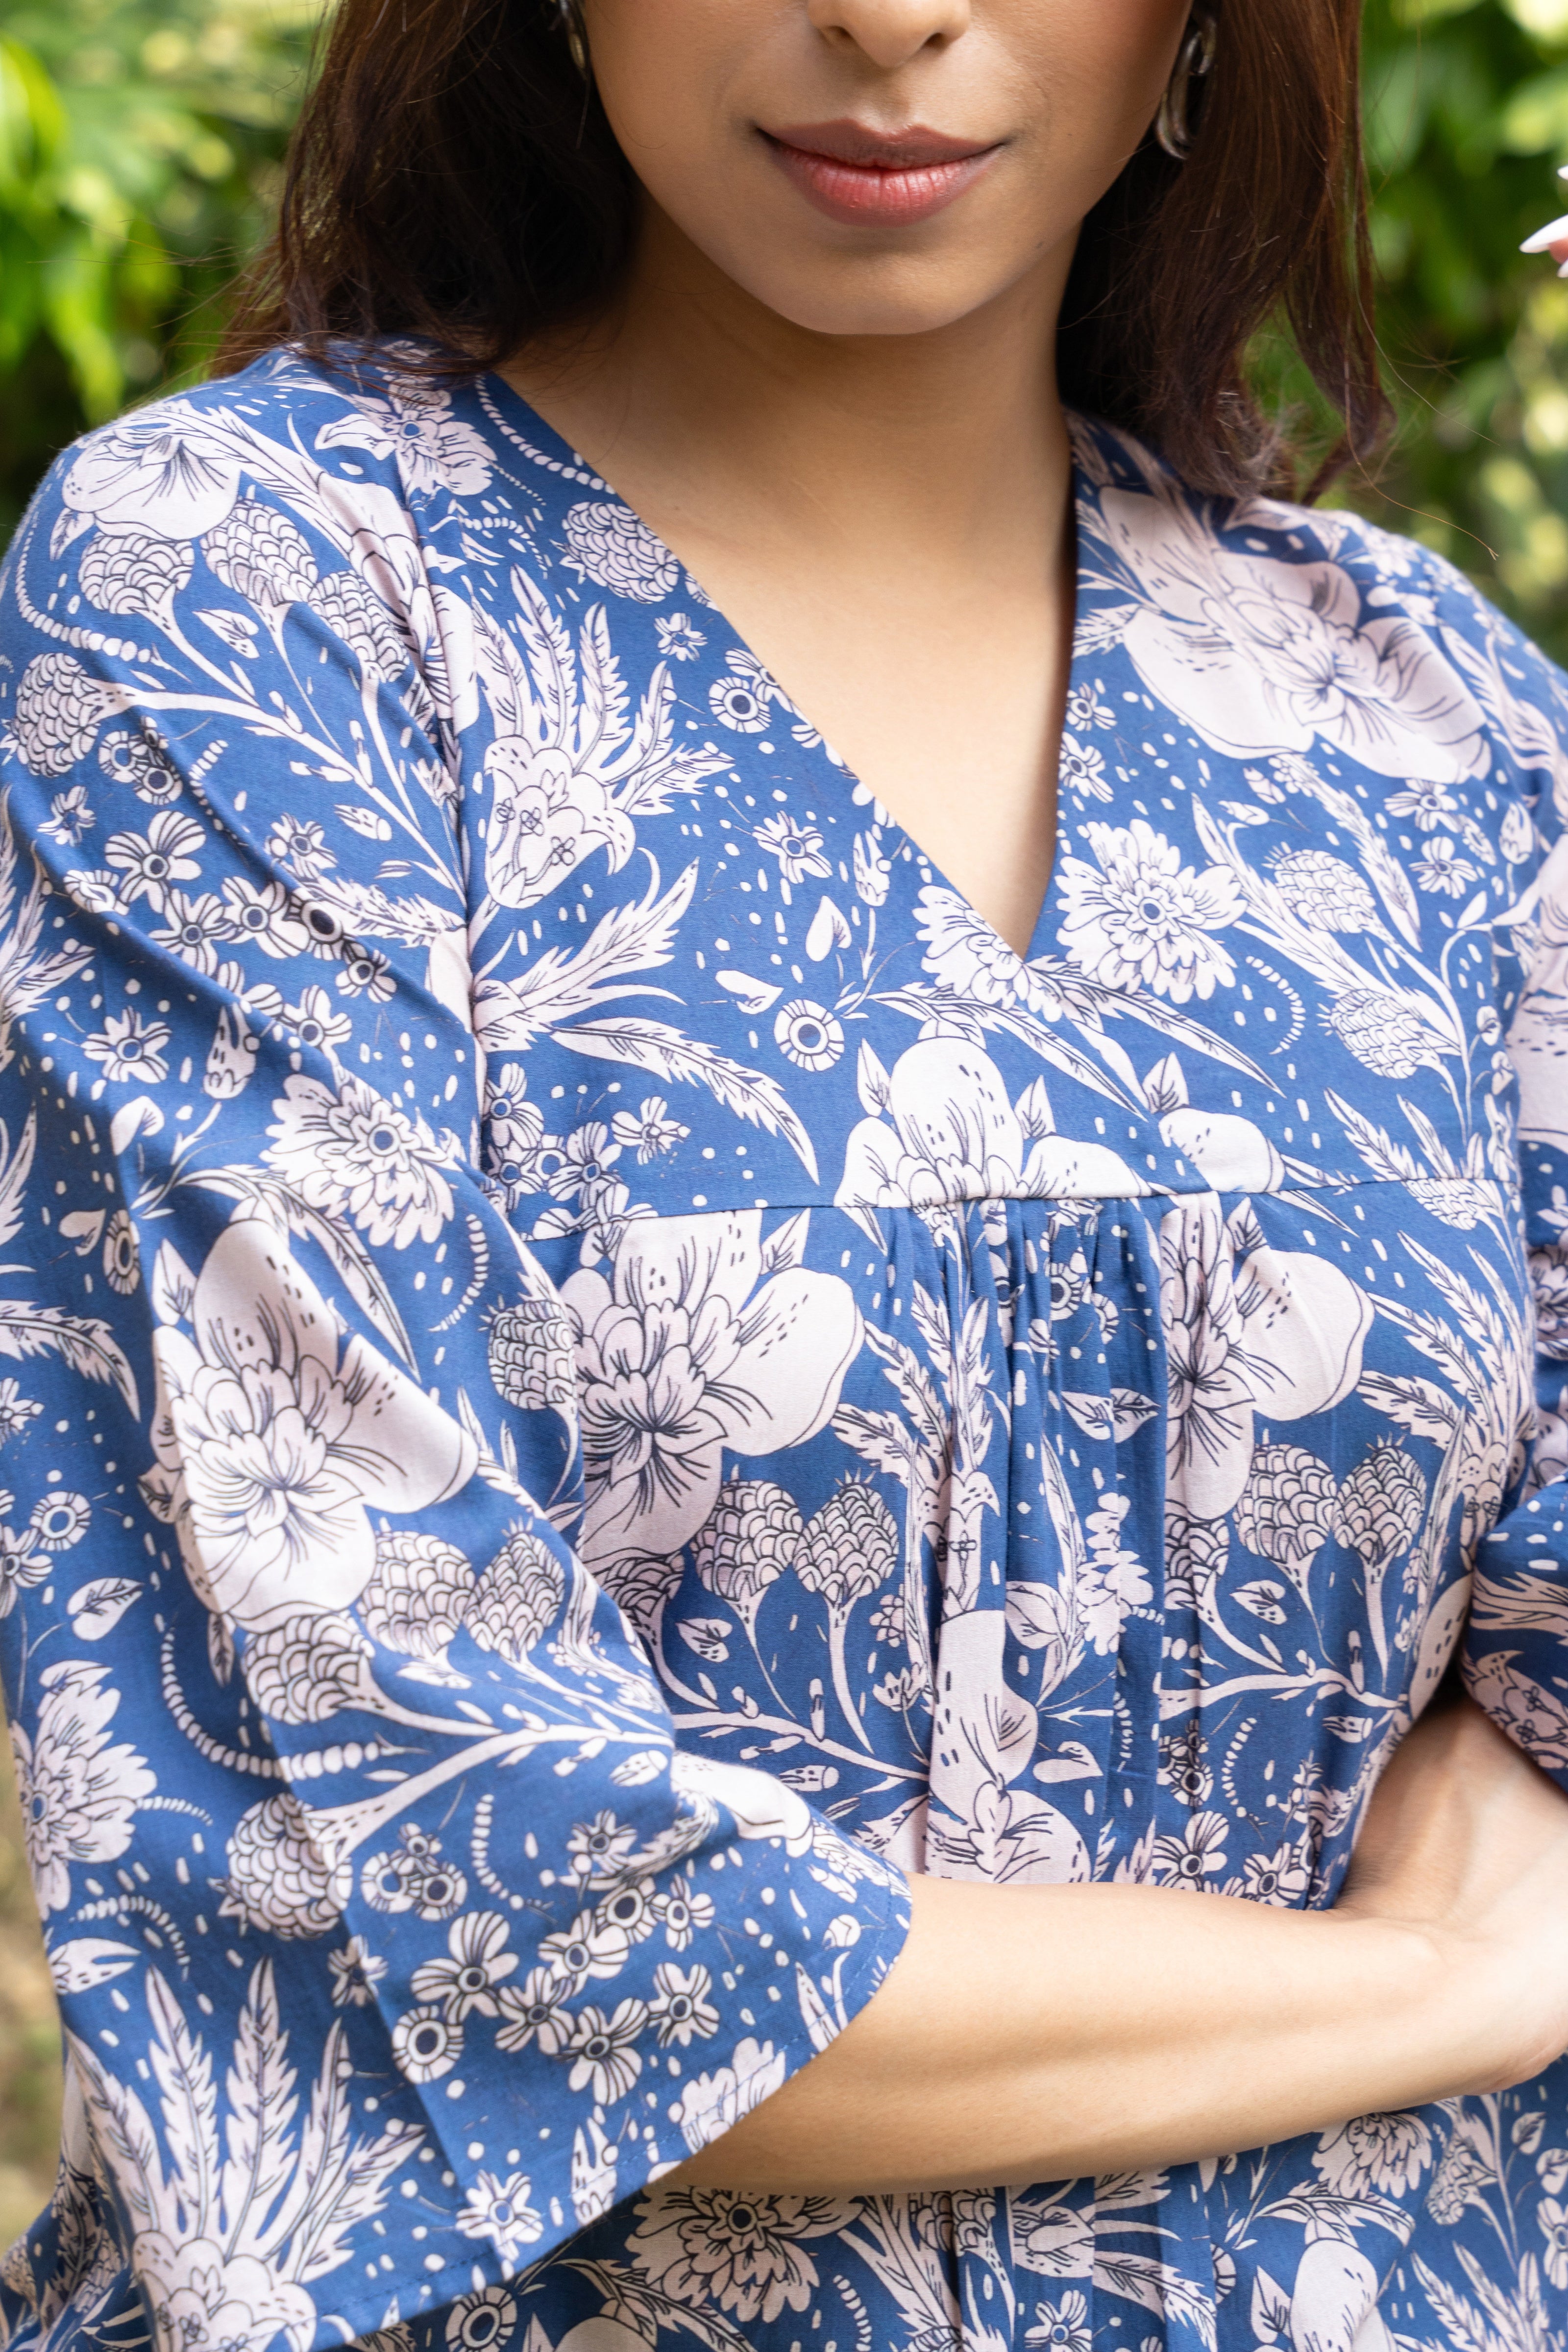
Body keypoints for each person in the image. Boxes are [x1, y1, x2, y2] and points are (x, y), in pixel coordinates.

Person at [3, 2, 1568, 2349]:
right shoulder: (256, 604)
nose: (886, 13)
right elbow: (466, 1881)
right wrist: (1455, 1976)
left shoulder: (1422, 716)